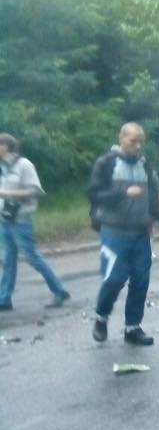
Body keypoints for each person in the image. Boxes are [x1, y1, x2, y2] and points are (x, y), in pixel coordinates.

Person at [87, 123, 159, 346]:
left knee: (141, 280)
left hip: (140, 232)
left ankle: (132, 328)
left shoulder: (145, 166)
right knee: (115, 278)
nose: (138, 145)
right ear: (121, 138)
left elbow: (153, 199)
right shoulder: (106, 163)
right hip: (114, 230)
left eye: (141, 141)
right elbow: (94, 194)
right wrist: (122, 192)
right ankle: (101, 317)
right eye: (133, 140)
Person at [0, 133, 70, 311]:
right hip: (5, 219)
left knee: (31, 257)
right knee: (8, 259)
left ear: (6, 146)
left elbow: (35, 191)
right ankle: (4, 298)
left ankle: (59, 290)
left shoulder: (24, 165)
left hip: (21, 218)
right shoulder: (1, 168)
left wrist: (9, 194)